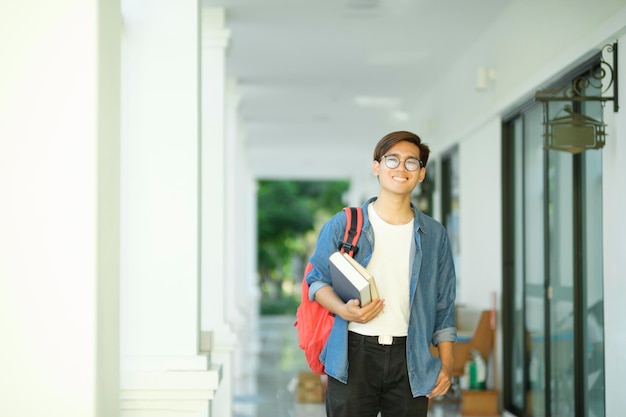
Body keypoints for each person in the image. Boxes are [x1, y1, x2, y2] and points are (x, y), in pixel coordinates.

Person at [306, 130, 457, 417]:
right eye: (392, 160)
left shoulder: (434, 234)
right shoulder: (345, 224)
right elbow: (316, 280)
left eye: (411, 163)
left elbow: (444, 306)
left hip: (410, 358)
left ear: (421, 173)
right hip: (354, 353)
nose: (401, 168)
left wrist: (446, 366)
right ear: (376, 166)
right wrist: (344, 310)